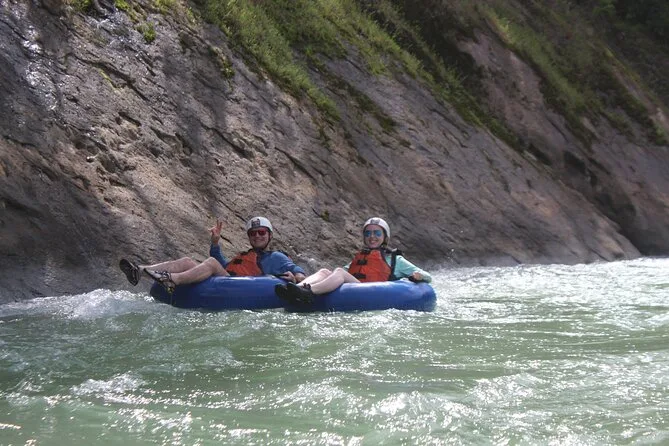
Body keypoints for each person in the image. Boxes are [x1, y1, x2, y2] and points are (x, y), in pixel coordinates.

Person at [119, 216, 306, 293]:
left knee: (210, 262)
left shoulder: (276, 257)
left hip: (239, 287)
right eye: (253, 233)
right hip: (227, 279)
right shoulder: (245, 254)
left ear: (270, 235)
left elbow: (299, 273)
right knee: (187, 261)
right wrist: (215, 243)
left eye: (261, 232)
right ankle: (140, 270)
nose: (257, 236)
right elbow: (223, 267)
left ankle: (172, 280)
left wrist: (296, 280)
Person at [275, 217, 431, 304]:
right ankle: (295, 289)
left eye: (377, 233)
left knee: (339, 272)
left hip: (373, 292)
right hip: (355, 289)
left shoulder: (395, 259)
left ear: (385, 237)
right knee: (324, 271)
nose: (372, 237)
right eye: (368, 233)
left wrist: (418, 276)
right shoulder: (360, 257)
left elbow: (428, 276)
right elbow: (335, 276)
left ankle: (309, 292)